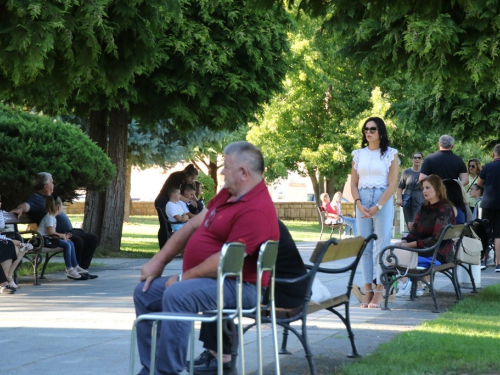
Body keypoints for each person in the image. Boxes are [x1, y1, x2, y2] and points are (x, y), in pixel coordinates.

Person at [133, 141, 279, 375]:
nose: (221, 172)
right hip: (215, 280)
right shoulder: (228, 196)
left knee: (177, 294)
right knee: (144, 292)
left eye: (227, 166)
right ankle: (152, 368)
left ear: (243, 172)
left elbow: (227, 262)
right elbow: (191, 225)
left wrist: (182, 278)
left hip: (242, 285)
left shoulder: (256, 208)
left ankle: (167, 371)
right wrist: (158, 261)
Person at [192, 219, 308, 372]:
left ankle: (221, 356)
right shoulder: (267, 220)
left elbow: (231, 262)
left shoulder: (254, 224)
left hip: (283, 292)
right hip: (293, 287)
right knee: (221, 289)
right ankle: (216, 351)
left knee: (217, 294)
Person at [10, 172, 99, 279]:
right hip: (54, 235)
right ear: (46, 186)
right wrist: (19, 209)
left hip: (65, 232)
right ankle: (74, 271)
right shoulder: (35, 199)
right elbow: (26, 205)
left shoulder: (50, 198)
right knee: (77, 241)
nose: (53, 185)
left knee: (92, 239)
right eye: (52, 182)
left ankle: (82, 270)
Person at [351, 117, 399, 309]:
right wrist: (358, 203)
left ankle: (380, 290)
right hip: (361, 199)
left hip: (383, 199)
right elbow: (353, 183)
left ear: (381, 132)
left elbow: (393, 184)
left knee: (382, 244)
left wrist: (378, 206)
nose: (368, 132)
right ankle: (367, 290)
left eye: (372, 129)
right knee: (364, 246)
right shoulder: (358, 154)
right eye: (365, 129)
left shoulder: (390, 154)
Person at [395, 175, 456, 295]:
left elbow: (435, 240)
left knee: (393, 256)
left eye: (428, 188)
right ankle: (410, 285)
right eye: (423, 188)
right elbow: (415, 230)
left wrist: (409, 246)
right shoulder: (424, 206)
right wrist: (405, 241)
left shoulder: (445, 209)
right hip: (424, 250)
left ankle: (405, 283)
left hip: (437, 254)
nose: (424, 191)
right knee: (392, 253)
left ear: (438, 189)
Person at [38, 195, 86, 280]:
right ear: (58, 207)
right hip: (44, 241)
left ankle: (75, 266)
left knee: (70, 243)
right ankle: (69, 268)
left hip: (49, 240)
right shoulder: (49, 218)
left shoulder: (52, 217)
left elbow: (51, 233)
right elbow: (50, 233)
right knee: (67, 245)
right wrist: (62, 236)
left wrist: (62, 236)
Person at [154, 164, 199, 248]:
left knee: (169, 226)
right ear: (187, 175)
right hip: (162, 201)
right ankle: (163, 248)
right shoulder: (176, 177)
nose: (192, 181)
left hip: (170, 202)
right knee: (165, 226)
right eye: (191, 178)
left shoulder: (185, 180)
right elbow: (176, 194)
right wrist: (189, 201)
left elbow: (190, 191)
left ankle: (169, 248)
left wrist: (196, 200)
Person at [477, 144, 500, 272]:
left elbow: (479, 183)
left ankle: (482, 260)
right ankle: (498, 264)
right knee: (499, 233)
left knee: (485, 231)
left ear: (493, 154)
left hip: (488, 202)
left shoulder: (488, 166)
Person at [397, 151, 425, 230]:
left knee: (417, 221)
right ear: (412, 160)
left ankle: (416, 240)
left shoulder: (425, 172)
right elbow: (400, 187)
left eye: (419, 158)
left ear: (422, 160)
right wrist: (399, 199)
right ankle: (411, 238)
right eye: (415, 157)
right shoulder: (407, 172)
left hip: (420, 199)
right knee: (408, 221)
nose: (417, 159)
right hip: (407, 199)